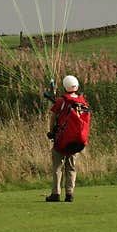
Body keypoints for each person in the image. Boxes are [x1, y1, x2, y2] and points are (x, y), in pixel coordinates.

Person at [45, 74, 83, 202]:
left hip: (61, 140)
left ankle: (56, 193)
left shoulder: (61, 101)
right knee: (71, 167)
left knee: (57, 166)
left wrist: (51, 132)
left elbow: (53, 117)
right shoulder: (82, 102)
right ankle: (69, 194)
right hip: (76, 141)